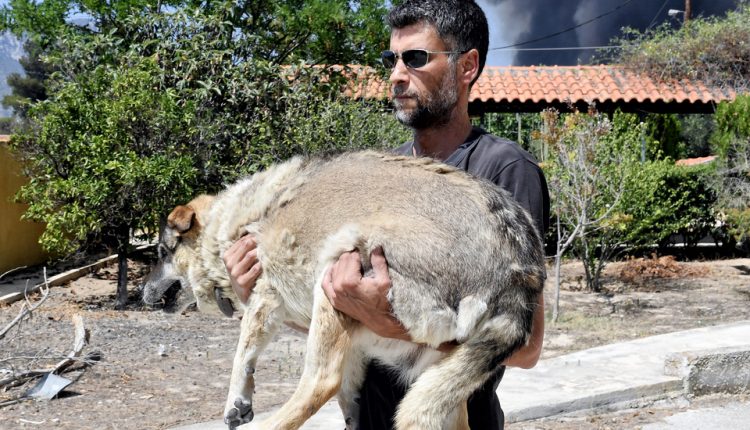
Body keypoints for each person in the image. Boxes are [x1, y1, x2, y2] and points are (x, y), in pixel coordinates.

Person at [222, 1, 550, 428]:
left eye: (415, 59)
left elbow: (526, 346)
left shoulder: (504, 168)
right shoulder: (381, 174)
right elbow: (340, 319)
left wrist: (389, 322)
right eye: (390, 59)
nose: (396, 75)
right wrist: (262, 295)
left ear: (467, 66)